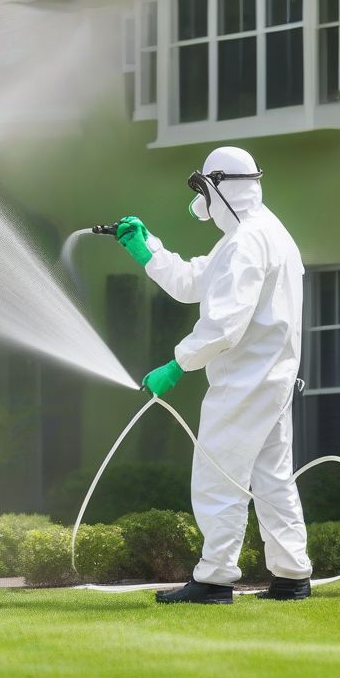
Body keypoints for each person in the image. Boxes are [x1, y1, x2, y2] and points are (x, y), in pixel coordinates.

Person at [116, 146, 312, 604]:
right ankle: (291, 576)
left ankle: (215, 579)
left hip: (245, 381)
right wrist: (149, 250)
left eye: (204, 188)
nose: (201, 199)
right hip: (273, 380)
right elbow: (193, 282)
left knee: (217, 476)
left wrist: (177, 364)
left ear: (220, 187)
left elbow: (224, 324)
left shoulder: (247, 241)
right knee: (272, 479)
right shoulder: (261, 233)